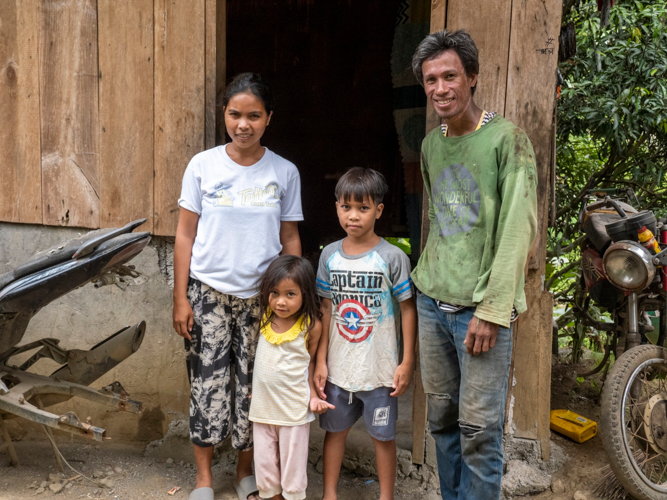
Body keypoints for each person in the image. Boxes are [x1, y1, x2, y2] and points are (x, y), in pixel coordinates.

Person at [410, 30, 538, 499]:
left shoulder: (509, 141)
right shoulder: (431, 145)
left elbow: (516, 231)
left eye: (450, 77)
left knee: (479, 433)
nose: (440, 89)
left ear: (472, 78)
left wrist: (491, 309)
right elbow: (438, 221)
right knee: (442, 422)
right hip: (432, 304)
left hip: (479, 312)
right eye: (430, 80)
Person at [172, 73, 303, 500]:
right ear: (223, 114)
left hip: (264, 300)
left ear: (268, 119)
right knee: (206, 385)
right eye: (235, 114)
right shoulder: (203, 165)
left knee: (253, 386)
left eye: (253, 115)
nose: (243, 124)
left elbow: (290, 240)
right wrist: (180, 298)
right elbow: (185, 235)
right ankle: (205, 479)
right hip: (207, 293)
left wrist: (295, 293)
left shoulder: (284, 171)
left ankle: (247, 472)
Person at [314, 167, 417, 500]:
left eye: (362, 208)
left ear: (379, 210)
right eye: (346, 207)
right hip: (339, 368)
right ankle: (330, 494)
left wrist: (406, 362)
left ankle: (386, 496)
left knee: (383, 438)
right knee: (335, 431)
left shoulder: (392, 258)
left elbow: (407, 309)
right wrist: (320, 361)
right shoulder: (329, 256)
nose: (353, 216)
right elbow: (325, 310)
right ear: (337, 207)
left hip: (380, 371)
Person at [249, 255, 333, 500]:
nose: (280, 302)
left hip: (293, 410)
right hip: (263, 408)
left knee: (292, 467)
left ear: (305, 293)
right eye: (274, 293)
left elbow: (308, 365)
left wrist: (314, 396)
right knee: (265, 466)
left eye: (290, 294)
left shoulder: (310, 325)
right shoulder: (265, 316)